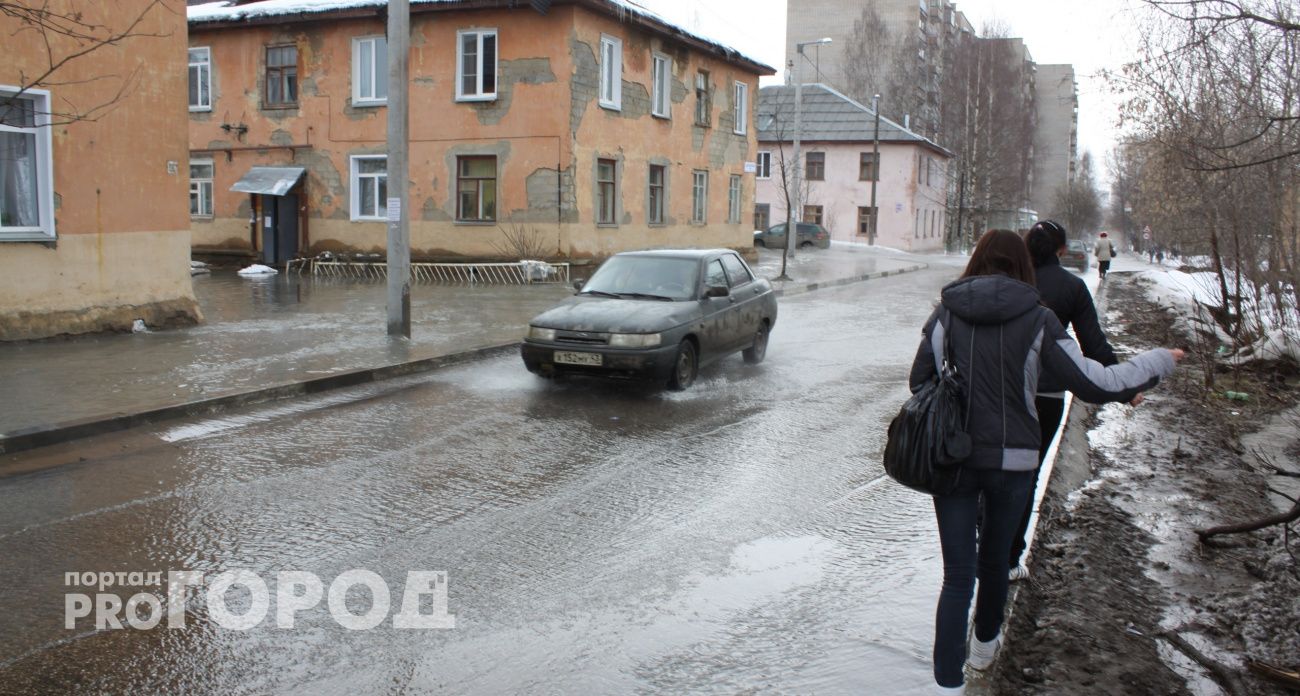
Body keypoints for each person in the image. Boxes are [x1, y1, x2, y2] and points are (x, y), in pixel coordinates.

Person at [909, 229, 1183, 694]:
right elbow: (1095, 381)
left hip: (951, 464)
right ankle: (984, 650)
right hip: (1013, 463)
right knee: (994, 563)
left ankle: (946, 682)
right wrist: (1159, 360)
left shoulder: (944, 316)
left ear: (975, 260)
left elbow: (919, 382)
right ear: (1024, 266)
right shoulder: (1039, 320)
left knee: (956, 576)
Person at [1008, 221, 1119, 580]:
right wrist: (1124, 383)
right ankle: (1009, 558)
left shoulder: (1011, 281)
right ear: (1060, 250)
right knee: (1028, 471)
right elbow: (1094, 346)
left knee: (995, 466)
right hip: (1047, 394)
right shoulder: (1072, 287)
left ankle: (987, 539)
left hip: (1003, 390)